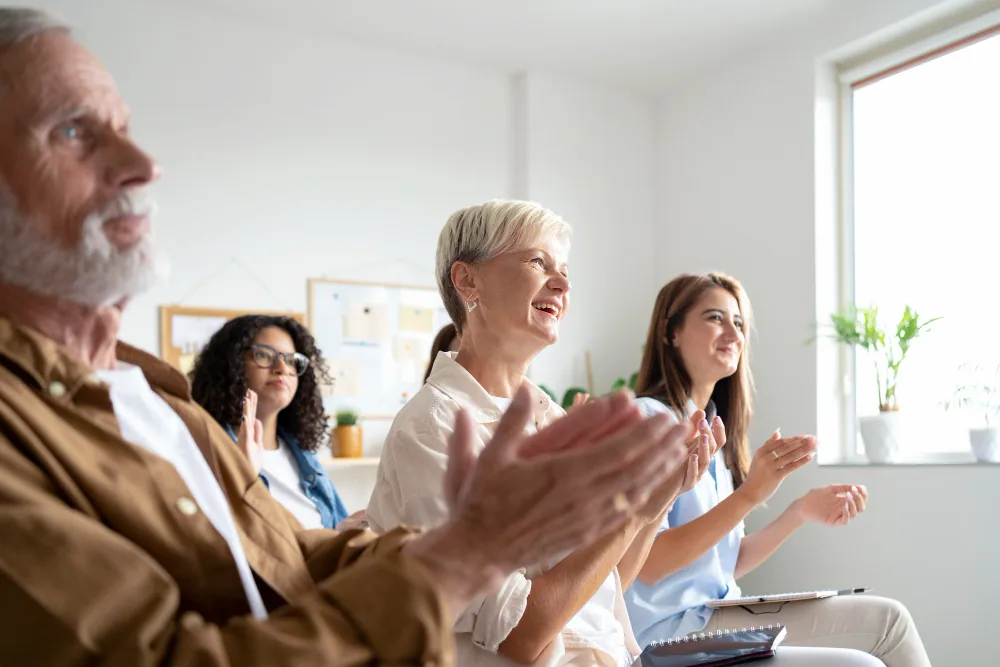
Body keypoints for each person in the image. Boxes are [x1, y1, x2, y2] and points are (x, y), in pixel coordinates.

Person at [0, 11, 714, 664]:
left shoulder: (158, 400)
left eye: (124, 125)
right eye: (72, 130)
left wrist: (609, 510)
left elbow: (298, 559)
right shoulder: (433, 423)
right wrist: (476, 549)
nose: (143, 164)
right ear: (468, 283)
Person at [368, 200, 709, 667]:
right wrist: (631, 511)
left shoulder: (551, 419)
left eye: (564, 270)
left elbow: (598, 591)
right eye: (536, 262)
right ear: (467, 280)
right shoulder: (432, 429)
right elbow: (522, 638)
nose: (563, 284)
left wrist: (661, 498)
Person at [623, 273, 931, 667]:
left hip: (715, 616)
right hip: (671, 632)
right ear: (672, 334)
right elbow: (648, 565)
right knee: (888, 624)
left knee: (886, 625)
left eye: (738, 323)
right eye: (715, 318)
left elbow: (724, 563)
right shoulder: (649, 420)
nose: (733, 333)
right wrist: (750, 494)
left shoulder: (715, 438)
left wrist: (799, 511)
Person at [190, 314, 349, 529]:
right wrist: (243, 476)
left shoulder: (304, 458)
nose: (282, 368)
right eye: (264, 355)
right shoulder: (201, 446)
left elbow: (335, 530)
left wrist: (344, 533)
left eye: (292, 361)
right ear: (233, 365)